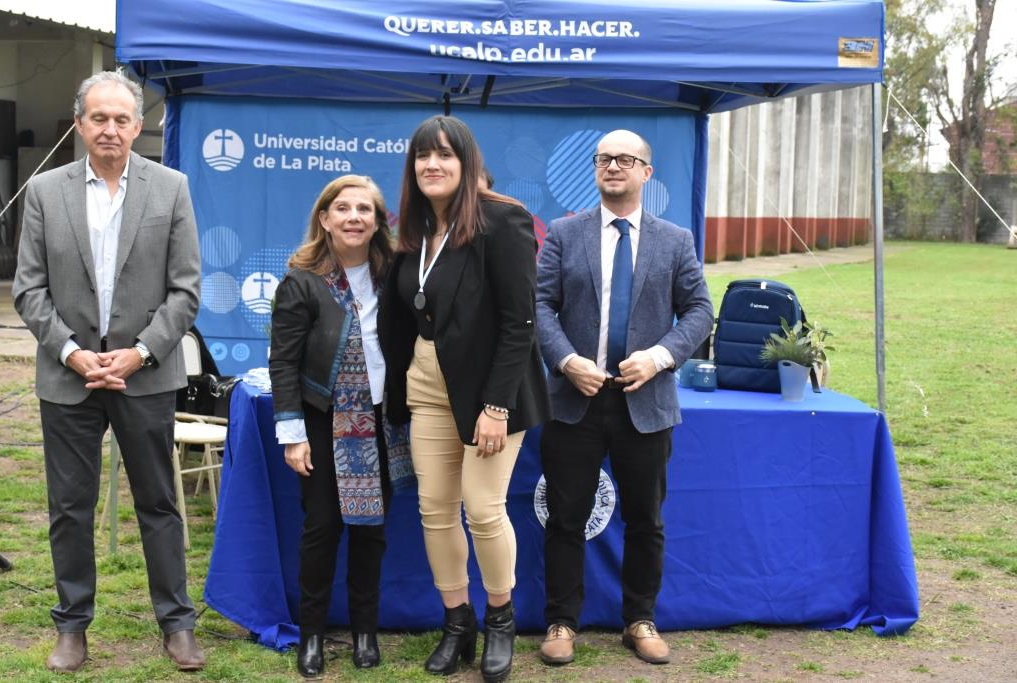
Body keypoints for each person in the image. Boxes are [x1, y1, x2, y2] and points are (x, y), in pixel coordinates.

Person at [12, 70, 204, 672]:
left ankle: (177, 625)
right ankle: (72, 628)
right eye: (99, 118)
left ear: (138, 126)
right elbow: (29, 289)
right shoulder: (45, 192)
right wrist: (72, 351)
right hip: (68, 378)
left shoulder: (171, 188)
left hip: (144, 375)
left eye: (122, 119)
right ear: (79, 124)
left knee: (159, 504)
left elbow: (185, 290)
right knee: (69, 508)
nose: (111, 129)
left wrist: (140, 351)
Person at [377, 115, 550, 683]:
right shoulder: (415, 228)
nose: (433, 164)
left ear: (467, 162)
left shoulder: (503, 220)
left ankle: (500, 616)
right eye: (424, 156)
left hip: (489, 392)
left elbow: (518, 322)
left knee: (482, 508)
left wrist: (496, 406)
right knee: (434, 510)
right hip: (426, 386)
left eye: (446, 155)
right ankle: (458, 621)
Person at [535, 129, 713, 666]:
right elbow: (540, 307)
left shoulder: (675, 240)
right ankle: (561, 622)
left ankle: (640, 619)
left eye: (625, 159)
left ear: (645, 173)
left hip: (646, 401)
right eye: (604, 159)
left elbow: (700, 312)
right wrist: (568, 362)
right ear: (596, 170)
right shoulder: (564, 234)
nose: (613, 166)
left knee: (645, 519)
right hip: (575, 400)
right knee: (566, 517)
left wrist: (659, 357)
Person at [269, 175, 413, 677]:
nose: (355, 217)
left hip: (383, 421)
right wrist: (292, 433)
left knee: (372, 532)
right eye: (344, 208)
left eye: (365, 209)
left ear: (378, 222)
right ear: (325, 219)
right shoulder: (301, 281)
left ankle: (365, 633)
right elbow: (283, 363)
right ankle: (312, 635)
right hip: (322, 422)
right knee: (322, 528)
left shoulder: (396, 276)